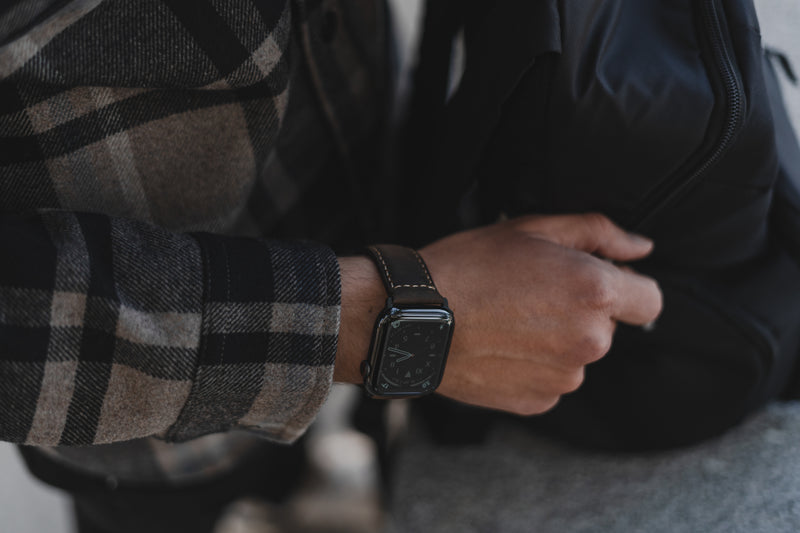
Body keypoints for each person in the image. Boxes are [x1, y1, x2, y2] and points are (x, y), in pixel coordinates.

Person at [0, 0, 665, 531]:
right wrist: (368, 323)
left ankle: (308, 486)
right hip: (137, 418)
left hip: (361, 186)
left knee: (320, 450)